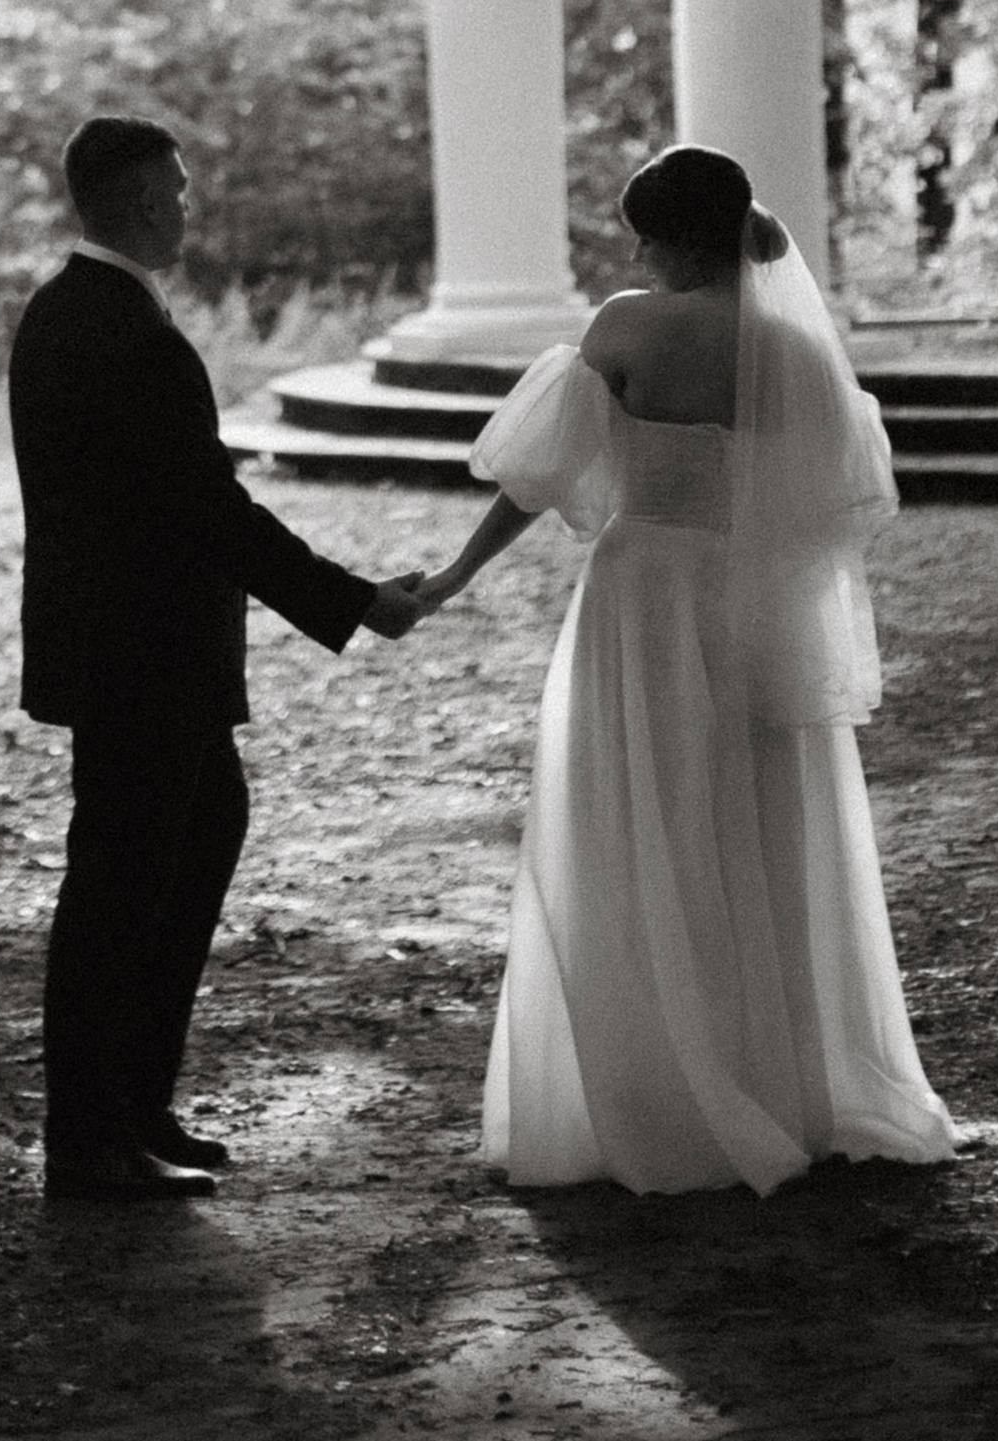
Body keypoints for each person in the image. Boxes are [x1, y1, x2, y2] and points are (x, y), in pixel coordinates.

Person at [399, 142, 958, 1196]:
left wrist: (455, 574)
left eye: (643, 237)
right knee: (758, 823)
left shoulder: (628, 326)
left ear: (674, 239)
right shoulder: (793, 349)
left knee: (636, 816)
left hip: (644, 600)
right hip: (752, 604)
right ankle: (784, 1079)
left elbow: (536, 476)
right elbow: (830, 508)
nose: (636, 257)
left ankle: (653, 1084)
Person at [8, 112, 423, 1203]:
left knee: (193, 840)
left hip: (125, 648)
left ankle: (132, 1106)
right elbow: (207, 509)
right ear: (146, 199)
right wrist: (352, 600)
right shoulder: (126, 333)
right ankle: (89, 1141)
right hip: (143, 654)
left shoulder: (65, 310)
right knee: (120, 888)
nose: (188, 206)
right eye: (180, 188)